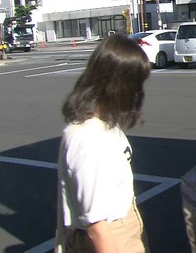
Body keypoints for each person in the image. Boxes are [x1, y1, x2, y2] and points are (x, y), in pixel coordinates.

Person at [57, 34, 152, 253]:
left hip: (124, 226)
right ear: (118, 84)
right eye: (136, 84)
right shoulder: (87, 138)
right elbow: (96, 226)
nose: (139, 92)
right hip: (111, 236)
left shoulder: (105, 124)